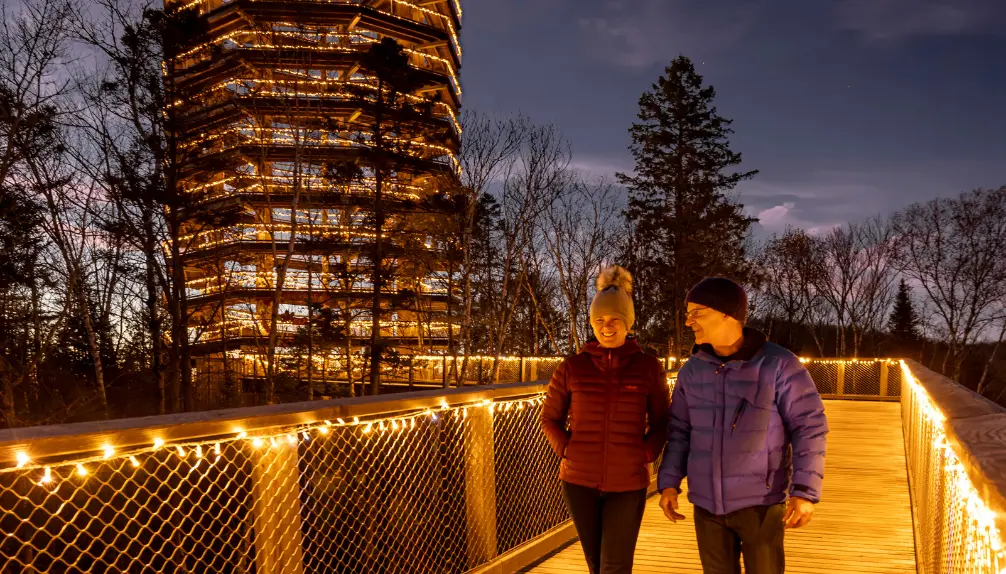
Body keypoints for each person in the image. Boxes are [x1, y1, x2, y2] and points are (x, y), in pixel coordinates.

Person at [657, 277, 829, 574]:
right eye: (687, 314)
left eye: (697, 313)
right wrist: (669, 484)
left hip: (760, 504)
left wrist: (803, 491)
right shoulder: (692, 371)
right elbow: (680, 432)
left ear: (728, 314)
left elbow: (809, 427)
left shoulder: (778, 364)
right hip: (707, 506)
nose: (688, 321)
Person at [540, 265, 670, 574]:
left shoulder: (648, 367)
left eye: (614, 319)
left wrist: (646, 453)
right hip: (578, 481)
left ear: (628, 323)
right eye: (599, 320)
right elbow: (549, 418)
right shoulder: (572, 367)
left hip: (628, 483)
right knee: (596, 564)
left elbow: (663, 421)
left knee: (616, 565)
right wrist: (567, 450)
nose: (606, 326)